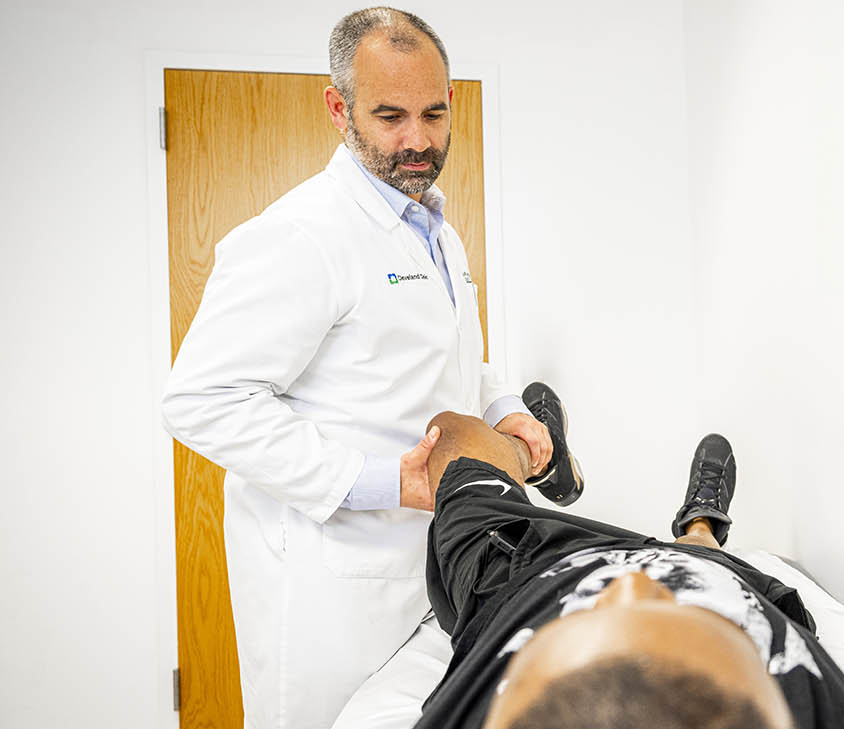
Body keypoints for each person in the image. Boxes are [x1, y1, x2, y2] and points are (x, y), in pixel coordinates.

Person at [160, 8, 565, 728]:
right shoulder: (298, 236)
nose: (419, 141)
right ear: (337, 107)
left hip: (434, 567)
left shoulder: (438, 227)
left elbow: (449, 358)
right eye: (390, 117)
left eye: (435, 114)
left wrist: (504, 407)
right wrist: (378, 481)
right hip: (334, 594)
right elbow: (202, 400)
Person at [411, 399, 844, 729]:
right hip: (706, 579)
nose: (630, 585)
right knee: (702, 566)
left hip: (524, 573)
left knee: (450, 435)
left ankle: (541, 456)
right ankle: (700, 528)